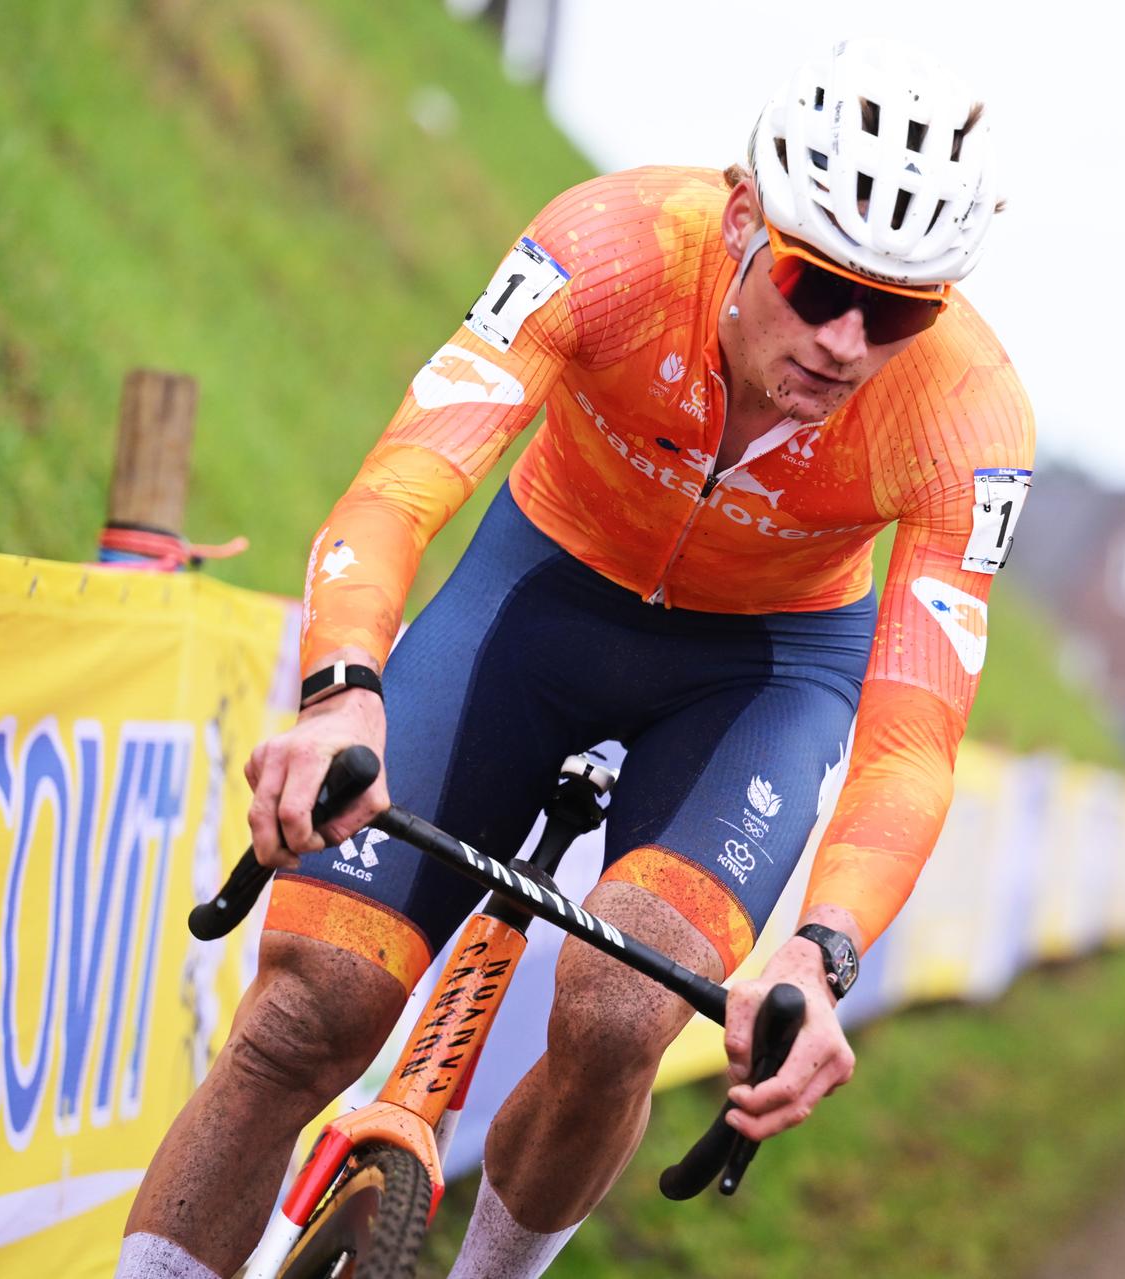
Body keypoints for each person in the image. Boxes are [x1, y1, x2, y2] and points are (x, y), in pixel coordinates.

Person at [117, 35, 1034, 1279]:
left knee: (621, 1012)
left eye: (899, 312)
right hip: (539, 600)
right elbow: (403, 484)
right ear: (747, 217)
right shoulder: (609, 249)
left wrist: (821, 958)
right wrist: (342, 692)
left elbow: (913, 735)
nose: (848, 342)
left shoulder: (965, 417)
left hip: (760, 675)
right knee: (306, 1010)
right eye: (821, 288)